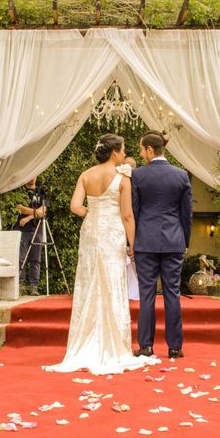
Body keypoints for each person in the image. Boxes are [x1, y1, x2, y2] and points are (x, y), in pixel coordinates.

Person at [44, 134, 158, 374]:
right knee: (112, 283)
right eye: (123, 149)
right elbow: (127, 215)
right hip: (113, 232)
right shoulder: (122, 178)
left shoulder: (86, 175)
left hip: (91, 232)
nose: (125, 153)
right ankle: (113, 345)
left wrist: (92, 213)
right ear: (115, 152)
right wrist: (133, 243)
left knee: (89, 283)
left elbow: (75, 207)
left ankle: (85, 341)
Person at [132, 130, 192, 359]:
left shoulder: (138, 176)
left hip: (145, 242)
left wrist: (133, 240)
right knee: (172, 293)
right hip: (174, 241)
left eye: (141, 149)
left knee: (146, 294)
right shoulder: (181, 176)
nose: (140, 153)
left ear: (149, 149)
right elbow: (186, 214)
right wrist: (185, 241)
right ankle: (175, 348)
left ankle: (146, 347)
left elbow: (135, 212)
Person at [13, 177, 47, 296]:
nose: (32, 178)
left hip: (37, 229)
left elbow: (43, 211)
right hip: (22, 230)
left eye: (34, 175)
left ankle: (33, 287)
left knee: (36, 260)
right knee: (20, 258)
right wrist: (35, 212)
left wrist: (29, 217)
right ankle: (20, 285)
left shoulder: (41, 191)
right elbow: (19, 208)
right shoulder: (20, 191)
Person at [123, 157, 140, 301]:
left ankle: (136, 292)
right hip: (119, 228)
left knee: (136, 266)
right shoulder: (117, 182)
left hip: (137, 228)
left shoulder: (139, 184)